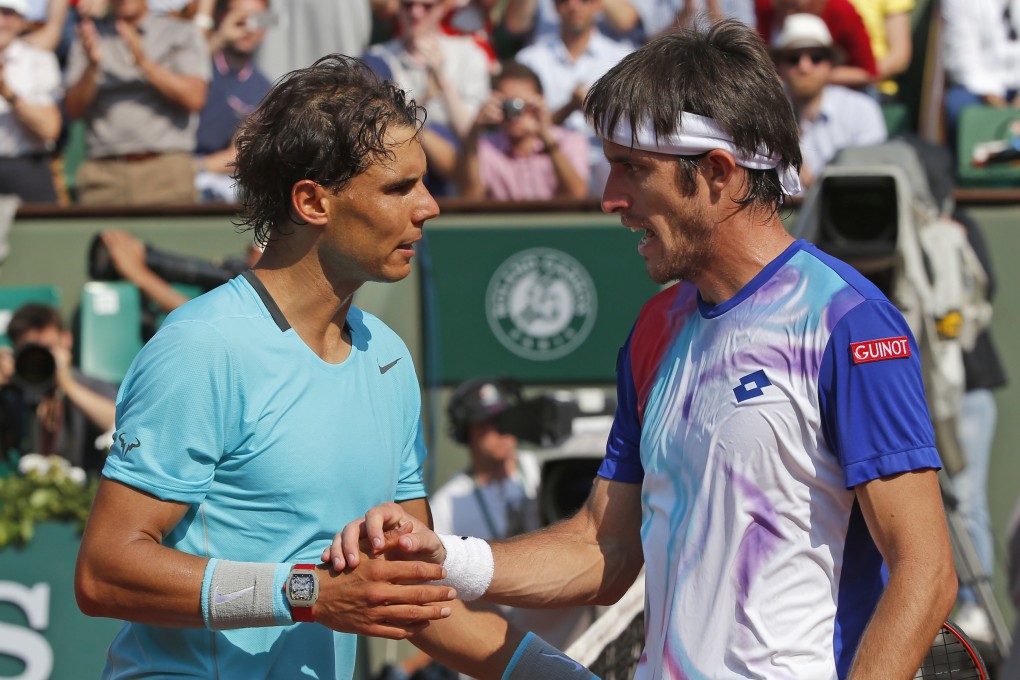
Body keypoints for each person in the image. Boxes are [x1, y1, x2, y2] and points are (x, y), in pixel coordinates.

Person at [337, 19, 957, 680]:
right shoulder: (655, 328)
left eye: (633, 169)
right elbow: (602, 546)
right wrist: (445, 559)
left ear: (716, 173)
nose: (611, 198)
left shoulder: (850, 324)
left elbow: (926, 571)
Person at [74, 54, 592, 680]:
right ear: (313, 201)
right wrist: (307, 593)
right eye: (400, 187)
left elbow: (416, 601)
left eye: (424, 183)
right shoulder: (202, 345)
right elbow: (105, 572)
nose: (429, 207)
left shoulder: (390, 361)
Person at [63, 0, 210, 205]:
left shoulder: (181, 32)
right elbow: (73, 110)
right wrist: (92, 67)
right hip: (103, 173)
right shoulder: (89, 35)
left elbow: (194, 98)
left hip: (165, 171)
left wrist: (143, 62)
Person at [513, 0, 631, 194]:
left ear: (598, 5)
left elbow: (629, 128)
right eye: (564, 1)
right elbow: (522, 127)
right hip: (546, 160)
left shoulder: (621, 59)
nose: (574, 6)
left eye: (584, 0)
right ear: (555, 7)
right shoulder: (530, 59)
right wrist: (570, 107)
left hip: (606, 158)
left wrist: (589, 110)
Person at [773, 13, 887, 187]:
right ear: (780, 66)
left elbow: (870, 180)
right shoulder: (765, 115)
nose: (805, 67)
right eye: (793, 59)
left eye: (816, 57)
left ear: (830, 64)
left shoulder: (861, 110)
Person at [0, 302, 117, 471]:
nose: (40, 359)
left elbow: (121, 424)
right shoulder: (14, 392)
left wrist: (66, 383)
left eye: (47, 349)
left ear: (67, 339)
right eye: (31, 352)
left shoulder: (88, 384)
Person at [457, 61, 589, 200]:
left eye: (522, 104)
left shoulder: (571, 141)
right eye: (508, 105)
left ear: (540, 100)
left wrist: (545, 136)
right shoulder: (485, 147)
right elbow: (471, 197)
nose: (515, 113)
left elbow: (578, 195)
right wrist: (475, 129)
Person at [193, 0, 273, 202]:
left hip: (222, 185)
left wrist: (197, 166)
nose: (248, 28)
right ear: (221, 17)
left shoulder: (263, 88)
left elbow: (240, 154)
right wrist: (218, 38)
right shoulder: (202, 60)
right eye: (239, 18)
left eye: (258, 20)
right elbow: (180, 77)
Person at [0, 0, 62, 203]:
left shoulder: (39, 60)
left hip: (27, 168)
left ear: (22, 21)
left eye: (7, 13)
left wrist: (6, 92)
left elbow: (49, 128)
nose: (0, 20)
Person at [940, 0, 1020, 154]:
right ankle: (967, 173)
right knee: (961, 108)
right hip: (978, 89)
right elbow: (963, 59)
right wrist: (997, 103)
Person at [756, 0, 878, 88]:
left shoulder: (840, 10)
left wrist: (809, 76)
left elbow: (868, 72)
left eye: (816, 58)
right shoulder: (762, 7)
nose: (790, 13)